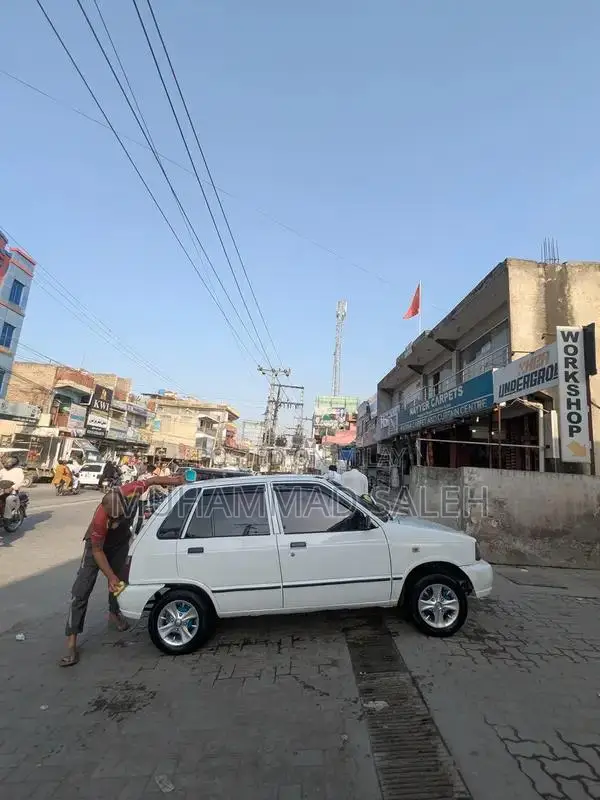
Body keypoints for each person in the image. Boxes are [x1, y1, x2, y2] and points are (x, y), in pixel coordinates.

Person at [60, 472, 185, 667]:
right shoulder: (100, 519)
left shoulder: (131, 491)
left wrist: (176, 481)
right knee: (81, 591)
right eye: (113, 518)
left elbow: (152, 481)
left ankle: (114, 613)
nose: (115, 521)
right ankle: (71, 642)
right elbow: (98, 551)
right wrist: (109, 576)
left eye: (119, 516)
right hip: (97, 548)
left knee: (120, 581)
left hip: (119, 544)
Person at [0, 455, 26, 520]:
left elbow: (20, 481)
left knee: (9, 499)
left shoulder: (18, 470)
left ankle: (7, 518)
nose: (7, 463)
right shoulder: (3, 470)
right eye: (7, 461)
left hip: (12, 491)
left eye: (9, 461)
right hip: (2, 489)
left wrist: (12, 488)